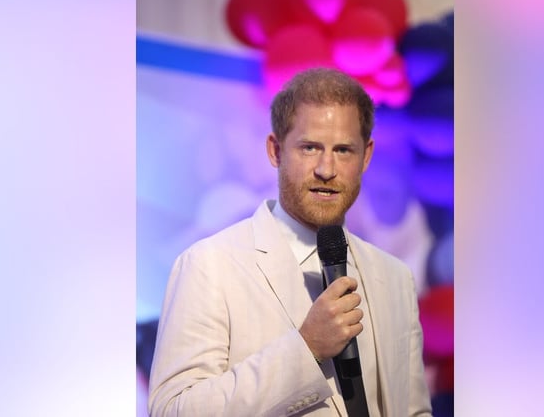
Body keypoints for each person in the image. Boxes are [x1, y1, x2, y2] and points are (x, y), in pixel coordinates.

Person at [148, 68, 432, 416]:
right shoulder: (210, 265)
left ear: (366, 157)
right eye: (310, 147)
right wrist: (306, 348)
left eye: (343, 150)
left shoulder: (396, 278)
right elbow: (173, 411)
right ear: (275, 151)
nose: (326, 168)